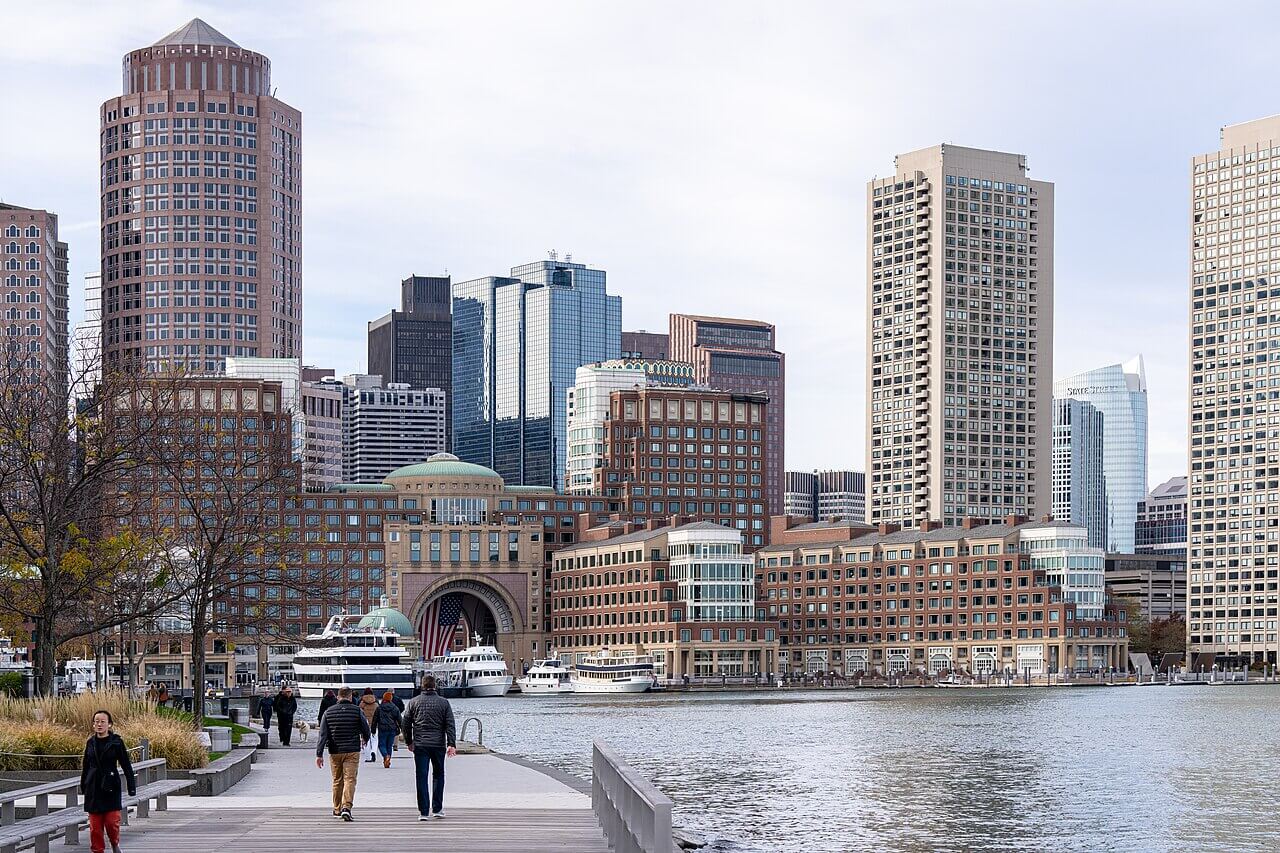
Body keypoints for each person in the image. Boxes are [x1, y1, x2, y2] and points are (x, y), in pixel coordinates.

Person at [401, 675, 456, 821]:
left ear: (422, 686)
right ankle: (437, 809)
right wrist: (451, 744)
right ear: (435, 686)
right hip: (438, 744)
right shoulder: (444, 703)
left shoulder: (413, 702)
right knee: (438, 775)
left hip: (420, 745)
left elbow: (405, 724)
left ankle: (423, 812)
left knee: (421, 776)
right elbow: (450, 724)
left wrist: (409, 742)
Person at [81, 710, 137, 853]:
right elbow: (85, 766)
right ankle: (97, 850)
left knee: (112, 822)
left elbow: (126, 764)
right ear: (93, 724)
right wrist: (84, 786)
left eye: (102, 722)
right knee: (95, 827)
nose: (99, 724)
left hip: (110, 785)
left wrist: (131, 786)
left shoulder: (116, 742)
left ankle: (114, 843)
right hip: (93, 787)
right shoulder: (90, 743)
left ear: (109, 724)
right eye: (96, 721)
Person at [314, 686, 370, 821]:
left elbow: (323, 735)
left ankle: (337, 808)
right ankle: (347, 807)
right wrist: (365, 739)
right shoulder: (357, 711)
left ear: (338, 697)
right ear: (350, 697)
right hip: (352, 750)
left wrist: (319, 754)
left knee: (337, 780)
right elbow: (365, 728)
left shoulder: (328, 712)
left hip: (334, 751)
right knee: (350, 779)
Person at [374, 691, 401, 768]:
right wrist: (402, 728)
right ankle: (388, 759)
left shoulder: (379, 708)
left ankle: (386, 756)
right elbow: (399, 719)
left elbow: (375, 719)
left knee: (381, 745)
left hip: (382, 728)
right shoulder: (395, 708)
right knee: (389, 745)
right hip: (392, 729)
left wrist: (373, 729)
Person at [358, 687, 379, 762]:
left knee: (366, 739)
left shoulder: (361, 702)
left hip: (365, 723)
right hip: (374, 723)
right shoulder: (376, 702)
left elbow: (358, 714)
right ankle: (374, 751)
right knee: (375, 740)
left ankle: (368, 757)